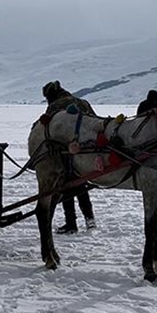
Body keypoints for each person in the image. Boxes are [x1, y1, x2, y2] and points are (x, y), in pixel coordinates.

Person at [41, 81, 98, 233]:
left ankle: (71, 223)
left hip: (65, 154)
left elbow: (48, 129)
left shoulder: (55, 106)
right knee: (81, 185)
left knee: (66, 187)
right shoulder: (82, 102)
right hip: (85, 153)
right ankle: (89, 219)